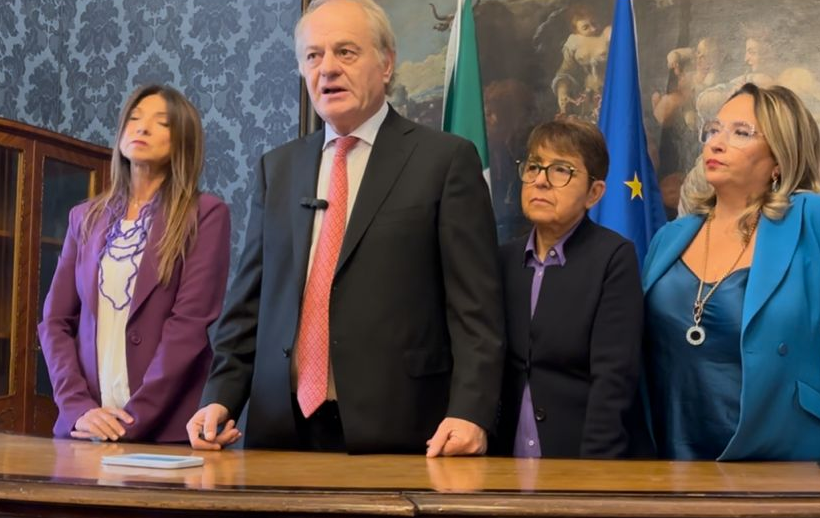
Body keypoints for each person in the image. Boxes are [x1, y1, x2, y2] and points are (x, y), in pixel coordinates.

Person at [187, 0, 504, 455]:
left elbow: (476, 310)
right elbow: (249, 303)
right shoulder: (278, 168)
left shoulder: (445, 161)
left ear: (387, 63)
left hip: (401, 429)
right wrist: (220, 397)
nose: (328, 68)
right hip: (281, 432)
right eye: (313, 55)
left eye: (346, 52)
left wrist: (471, 411)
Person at [641, 83, 820, 460]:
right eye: (713, 130)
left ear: (779, 159)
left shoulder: (819, 221)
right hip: (665, 455)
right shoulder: (668, 237)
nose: (716, 143)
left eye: (741, 133)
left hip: (781, 454)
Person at [38, 84, 231, 443]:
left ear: (183, 140)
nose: (142, 127)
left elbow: (188, 326)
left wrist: (130, 423)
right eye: (135, 118)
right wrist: (78, 408)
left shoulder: (205, 214)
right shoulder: (84, 217)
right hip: (87, 429)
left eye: (161, 122)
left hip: (164, 432)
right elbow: (54, 322)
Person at [495, 119, 643, 458]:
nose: (541, 181)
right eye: (534, 166)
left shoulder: (613, 257)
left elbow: (614, 378)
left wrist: (592, 471)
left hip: (579, 460)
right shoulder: (503, 259)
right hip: (503, 461)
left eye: (561, 170)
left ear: (594, 193)